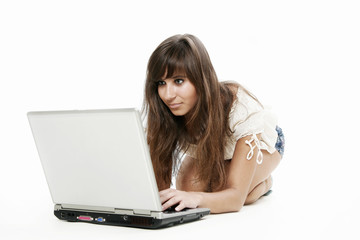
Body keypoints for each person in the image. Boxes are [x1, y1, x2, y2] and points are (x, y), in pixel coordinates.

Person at [142, 34, 285, 214]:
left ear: (201, 78)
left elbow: (234, 200)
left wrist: (210, 198)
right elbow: (162, 193)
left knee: (226, 191)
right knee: (188, 189)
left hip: (264, 142)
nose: (168, 94)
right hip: (212, 146)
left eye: (179, 81)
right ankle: (247, 183)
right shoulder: (165, 110)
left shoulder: (239, 107)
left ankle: (263, 183)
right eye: (161, 83)